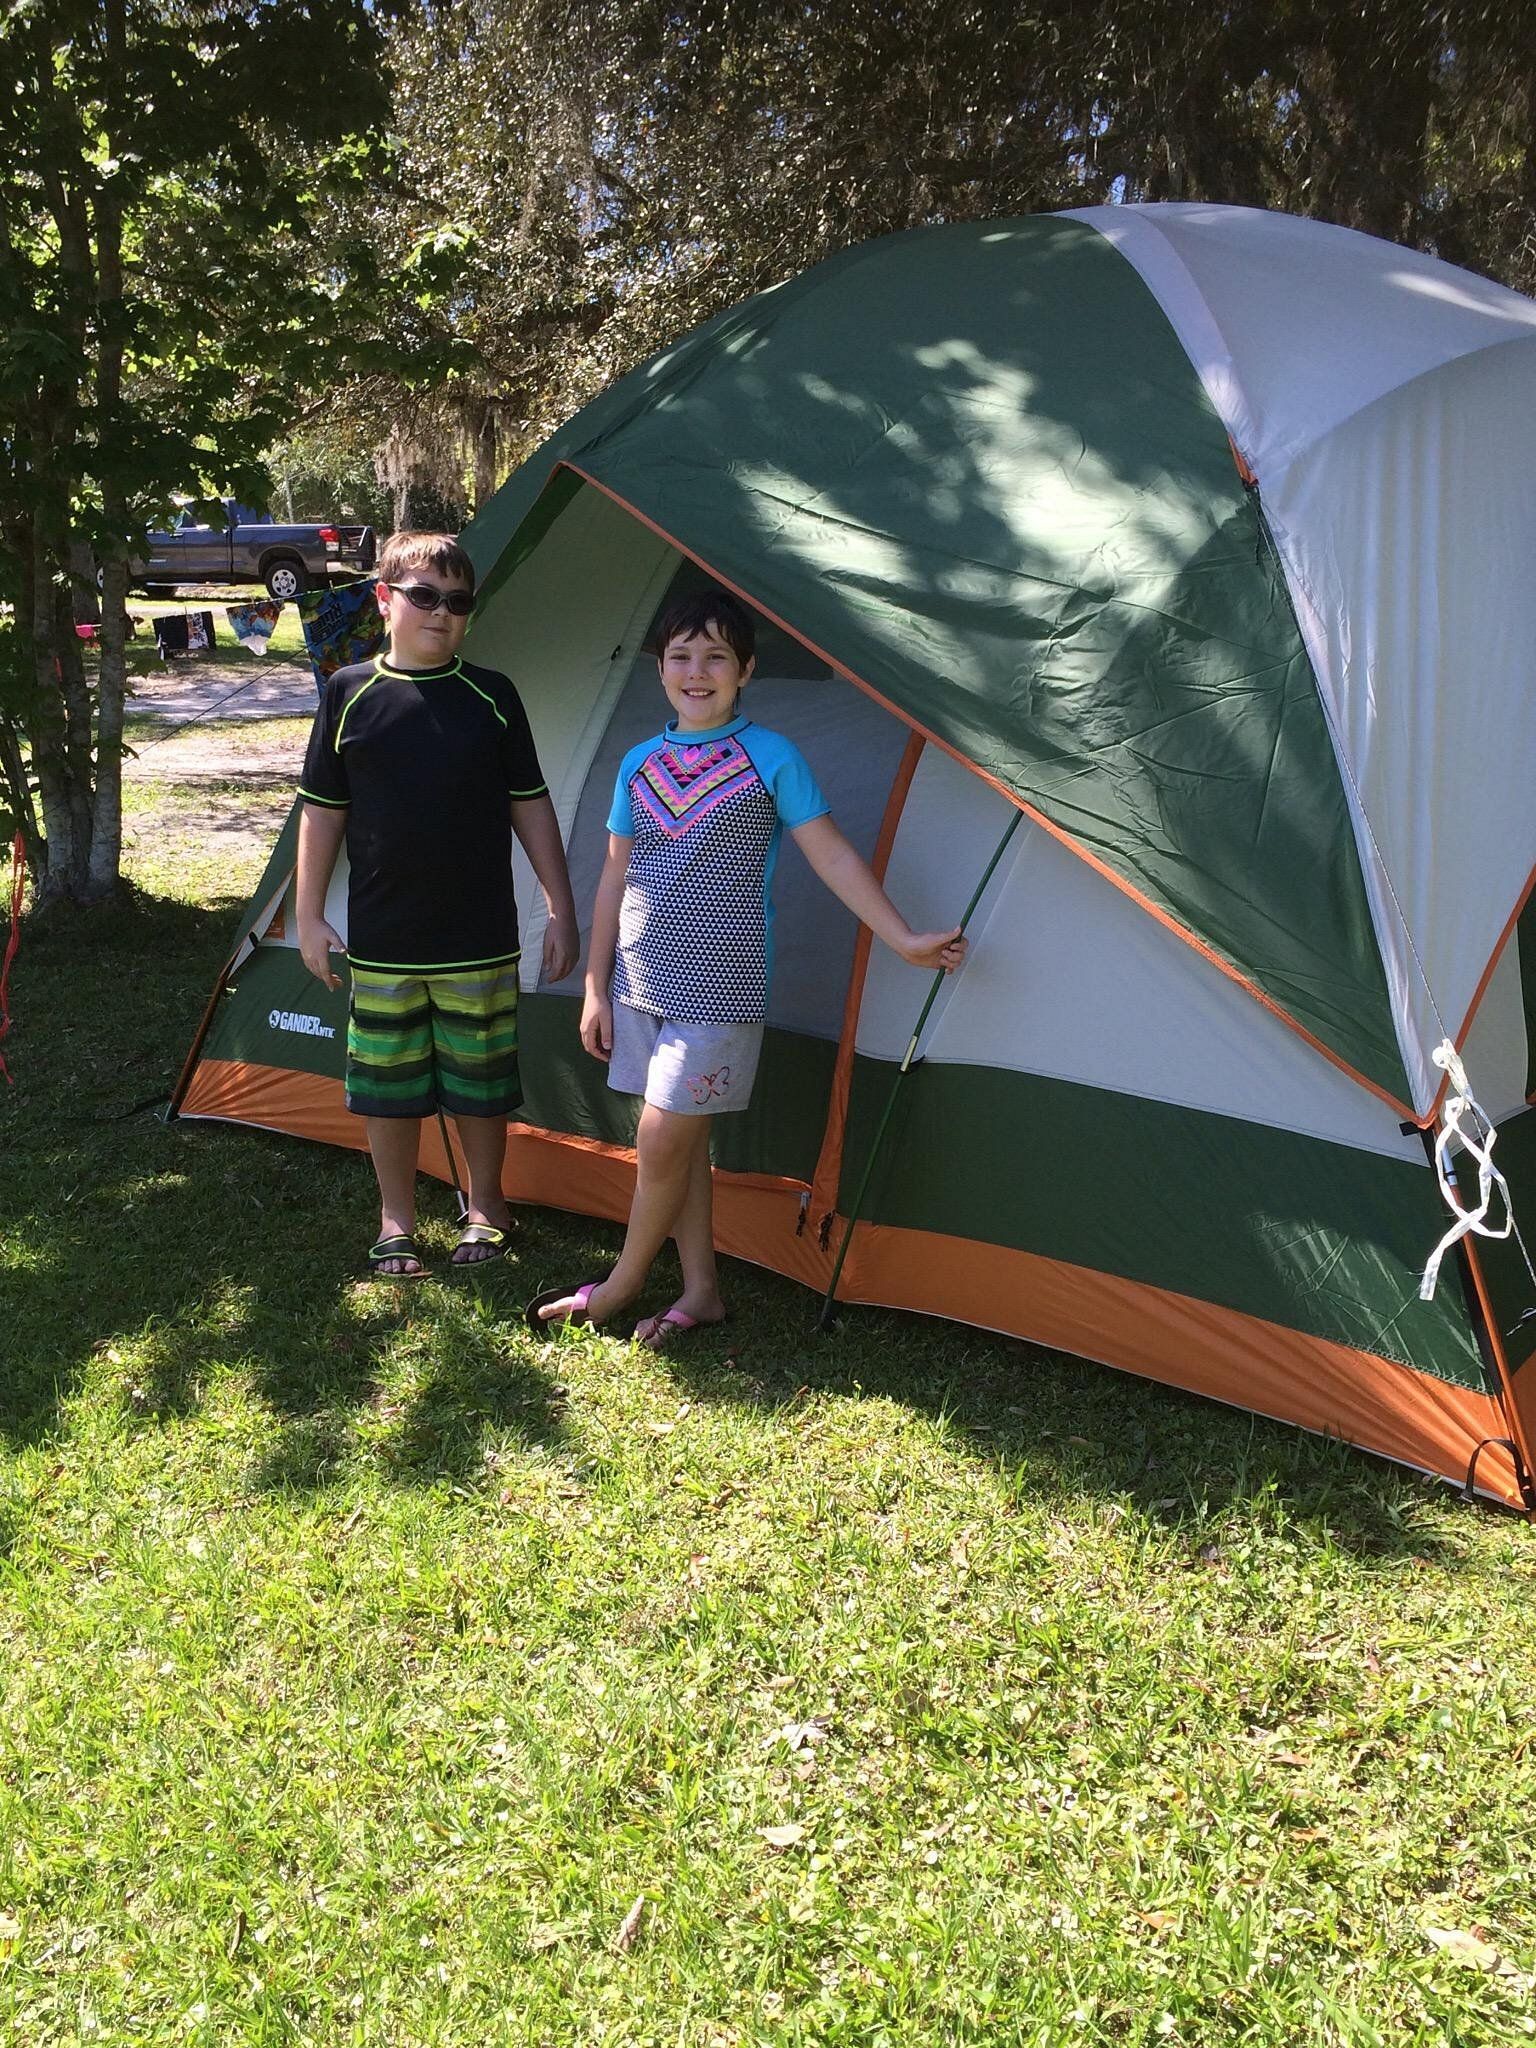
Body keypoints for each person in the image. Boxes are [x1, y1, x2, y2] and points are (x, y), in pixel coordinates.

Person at [528, 589, 967, 1346]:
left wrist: (902, 938)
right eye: (680, 656)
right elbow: (613, 878)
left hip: (720, 988)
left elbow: (829, 852)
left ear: (745, 669)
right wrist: (594, 986)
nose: (696, 672)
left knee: (663, 1137)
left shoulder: (771, 756)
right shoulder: (638, 760)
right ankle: (701, 1291)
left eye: (716, 657)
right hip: (639, 982)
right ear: (659, 667)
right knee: (682, 1143)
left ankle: (622, 1284)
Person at [296, 532, 577, 1276]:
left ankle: (486, 1206)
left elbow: (532, 805)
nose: (441, 613)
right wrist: (308, 915)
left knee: (481, 1088)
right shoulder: (347, 692)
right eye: (424, 596)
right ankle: (396, 1217)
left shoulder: (492, 695)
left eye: (458, 602)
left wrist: (562, 906)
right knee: (388, 1093)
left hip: (479, 940)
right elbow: (322, 812)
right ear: (384, 599)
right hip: (382, 943)